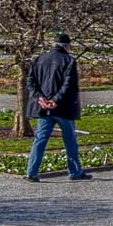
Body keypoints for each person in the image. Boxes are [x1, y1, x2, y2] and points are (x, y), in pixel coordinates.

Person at [23, 33, 89, 183]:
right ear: (67, 46)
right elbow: (68, 85)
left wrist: (39, 97)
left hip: (43, 108)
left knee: (40, 140)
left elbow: (30, 82)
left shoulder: (38, 59)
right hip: (63, 108)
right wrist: (55, 100)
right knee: (70, 140)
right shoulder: (69, 61)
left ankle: (31, 172)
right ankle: (74, 171)